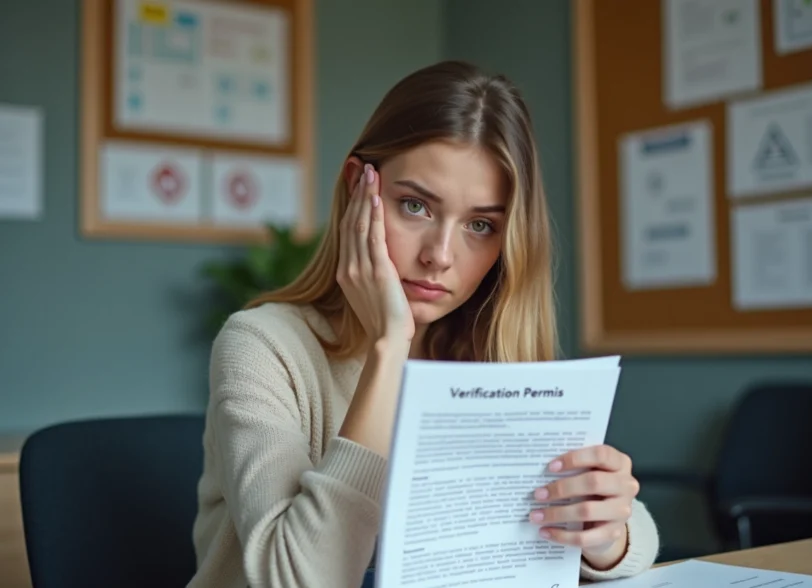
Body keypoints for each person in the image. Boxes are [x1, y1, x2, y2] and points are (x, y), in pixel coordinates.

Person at [188, 60, 660, 588]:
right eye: (415, 206)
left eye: (480, 225)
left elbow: (634, 538)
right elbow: (298, 580)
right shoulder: (263, 346)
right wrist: (390, 350)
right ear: (357, 188)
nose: (440, 255)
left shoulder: (489, 351)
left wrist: (603, 534)